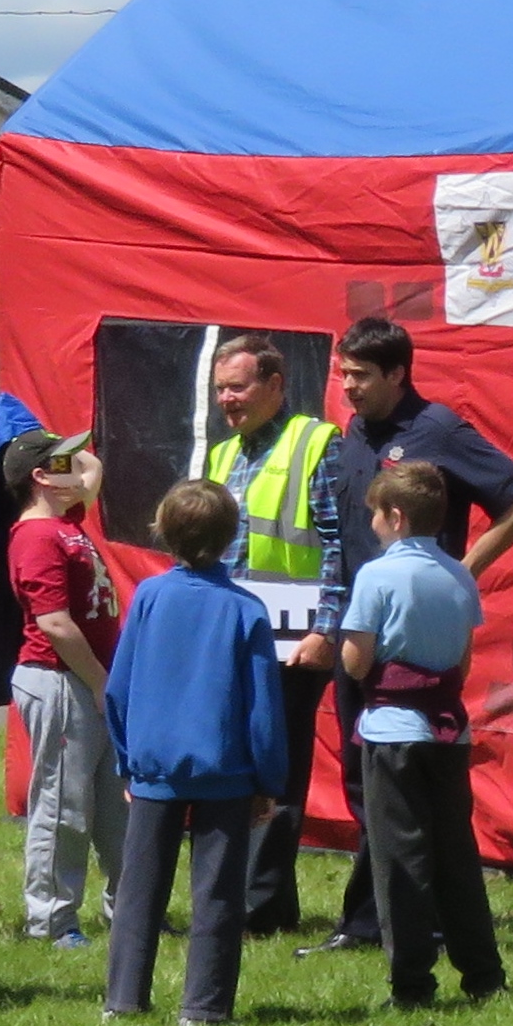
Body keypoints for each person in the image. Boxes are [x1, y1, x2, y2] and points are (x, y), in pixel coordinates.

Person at [303, 317, 513, 958]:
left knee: (411, 779)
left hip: (412, 636)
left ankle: (403, 921)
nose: (347, 387)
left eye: (360, 376)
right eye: (343, 373)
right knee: (364, 776)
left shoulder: (437, 430)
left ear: (398, 374)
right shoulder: (356, 431)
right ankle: (375, 917)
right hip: (359, 624)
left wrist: (461, 571)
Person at [101, 478, 290, 1026]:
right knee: (218, 893)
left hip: (154, 767)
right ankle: (203, 1010)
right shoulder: (246, 610)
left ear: (163, 531)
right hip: (226, 771)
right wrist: (269, 779)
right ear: (233, 537)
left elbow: (119, 687)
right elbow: (262, 706)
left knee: (139, 889)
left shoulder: (149, 597)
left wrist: (128, 760)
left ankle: (123, 999)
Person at [338, 461, 507, 1011]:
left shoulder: (377, 575)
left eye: (375, 515)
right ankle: (483, 972)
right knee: (456, 851)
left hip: (392, 730)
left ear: (396, 516)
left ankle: (412, 982)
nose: (372, 525)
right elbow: (463, 661)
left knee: (399, 857)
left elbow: (356, 660)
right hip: (449, 732)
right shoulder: (459, 575)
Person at [195, 334, 341, 934]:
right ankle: (252, 902)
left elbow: (338, 544)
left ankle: (258, 907)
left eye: (237, 387)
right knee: (232, 765)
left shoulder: (315, 443)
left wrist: (326, 630)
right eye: (220, 390)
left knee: (277, 771)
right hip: (231, 636)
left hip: (293, 644)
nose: (226, 400)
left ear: (275, 385)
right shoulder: (222, 455)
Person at [4, 429, 124, 950]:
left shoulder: (66, 519)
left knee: (116, 806)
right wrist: (99, 682)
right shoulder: (36, 536)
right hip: (59, 678)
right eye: (63, 462)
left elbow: (93, 470)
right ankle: (52, 919)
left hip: (91, 680)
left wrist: (69, 460)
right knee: (63, 806)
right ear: (41, 477)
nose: (78, 466)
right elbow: (53, 621)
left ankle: (130, 912)